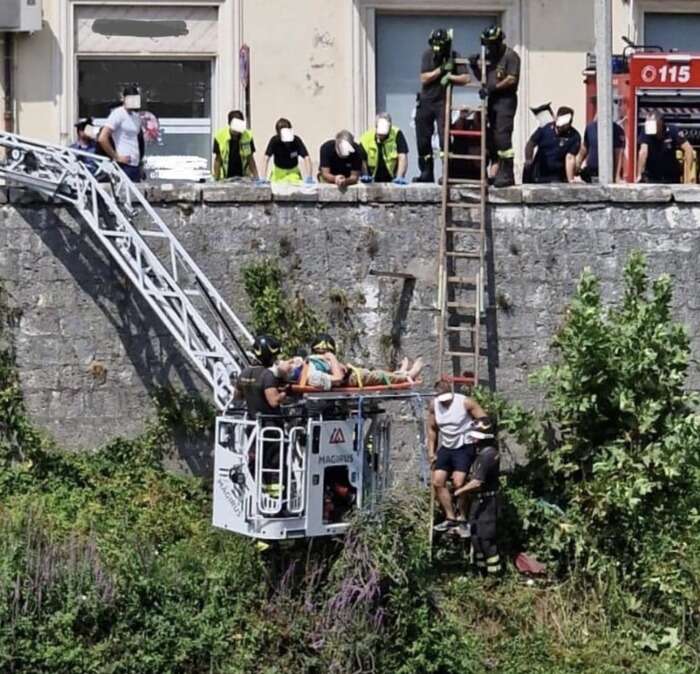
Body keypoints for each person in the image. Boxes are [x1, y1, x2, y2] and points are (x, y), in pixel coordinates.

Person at [427, 380, 487, 538]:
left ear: (452, 393)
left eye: (447, 398)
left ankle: (463, 518)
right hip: (447, 447)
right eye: (442, 399)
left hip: (464, 446)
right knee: (437, 481)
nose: (445, 402)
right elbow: (432, 429)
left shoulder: (465, 402)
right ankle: (450, 517)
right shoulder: (434, 406)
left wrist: (477, 432)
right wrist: (431, 451)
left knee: (458, 482)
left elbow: (485, 420)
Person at [414, 28, 469, 183]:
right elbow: (424, 78)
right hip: (426, 101)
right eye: (435, 46)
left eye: (440, 46)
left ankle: (447, 173)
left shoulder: (454, 56)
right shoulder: (427, 55)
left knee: (444, 137)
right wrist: (441, 70)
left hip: (442, 103)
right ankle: (426, 172)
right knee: (423, 139)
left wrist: (451, 77)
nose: (437, 49)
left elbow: (466, 78)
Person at [470, 25, 520, 187]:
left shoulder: (511, 56)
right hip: (493, 101)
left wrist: (494, 88)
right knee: (492, 137)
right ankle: (495, 170)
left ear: (498, 42)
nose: (488, 48)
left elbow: (512, 78)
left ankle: (507, 174)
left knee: (502, 136)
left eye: (490, 44)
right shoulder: (491, 58)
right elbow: (485, 80)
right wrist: (474, 67)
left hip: (506, 101)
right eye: (486, 44)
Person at [455, 417, 501, 577]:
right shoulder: (480, 454)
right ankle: (481, 574)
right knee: (475, 538)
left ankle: (494, 576)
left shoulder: (488, 455)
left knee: (486, 539)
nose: (474, 440)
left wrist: (459, 492)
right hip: (478, 501)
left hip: (488, 503)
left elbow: (477, 482)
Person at [98, 85, 145, 182]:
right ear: (124, 99)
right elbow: (102, 138)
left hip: (135, 165)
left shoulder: (136, 117)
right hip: (124, 164)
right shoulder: (118, 114)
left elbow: (138, 141)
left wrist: (140, 163)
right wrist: (116, 157)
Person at [523, 106, 581, 184]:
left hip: (558, 177)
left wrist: (571, 180)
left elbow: (570, 158)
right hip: (538, 174)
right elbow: (531, 143)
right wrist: (528, 160)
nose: (561, 127)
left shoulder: (574, 136)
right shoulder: (544, 129)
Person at [637, 112, 695, 184]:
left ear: (660, 123)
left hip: (671, 176)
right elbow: (643, 152)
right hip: (652, 176)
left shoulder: (673, 130)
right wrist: (640, 174)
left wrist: (688, 175)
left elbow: (688, 149)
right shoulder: (645, 131)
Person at [359, 113, 409, 184]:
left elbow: (402, 156)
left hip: (392, 177)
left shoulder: (397, 134)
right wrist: (365, 174)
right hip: (372, 179)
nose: (381, 137)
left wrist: (399, 176)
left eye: (384, 135)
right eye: (379, 135)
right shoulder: (366, 138)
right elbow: (362, 159)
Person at [263, 118, 313, 184]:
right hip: (278, 174)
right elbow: (266, 158)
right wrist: (263, 177)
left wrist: (309, 176)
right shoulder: (274, 141)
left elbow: (306, 158)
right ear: (278, 133)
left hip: (293, 174)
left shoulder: (296, 140)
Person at [212, 110, 259, 180]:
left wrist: (256, 177)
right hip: (225, 178)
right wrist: (216, 179)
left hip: (243, 178)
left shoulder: (247, 136)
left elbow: (250, 159)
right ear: (229, 124)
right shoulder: (220, 137)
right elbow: (218, 160)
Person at [577, 116, 626, 183]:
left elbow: (618, 154)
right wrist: (578, 164)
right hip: (591, 172)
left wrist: (616, 176)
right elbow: (585, 148)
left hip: (608, 174)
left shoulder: (617, 129)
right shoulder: (590, 128)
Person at [449, 107, 482, 181]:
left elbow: (495, 160)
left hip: (477, 175)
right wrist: (462, 117)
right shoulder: (464, 125)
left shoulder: (486, 133)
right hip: (457, 172)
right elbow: (456, 130)